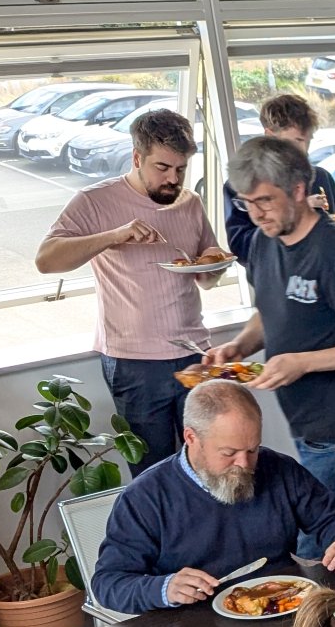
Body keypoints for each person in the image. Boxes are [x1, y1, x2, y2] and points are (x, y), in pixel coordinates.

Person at [204, 136, 335, 542]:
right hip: (307, 419)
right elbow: (270, 311)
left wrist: (303, 361)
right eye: (246, 203)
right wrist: (240, 346)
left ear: (297, 191)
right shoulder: (264, 241)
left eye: (264, 201)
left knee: (313, 542)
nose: (255, 214)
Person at [34, 108, 229, 472]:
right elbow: (46, 260)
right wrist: (115, 235)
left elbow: (205, 277)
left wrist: (214, 261)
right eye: (163, 168)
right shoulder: (95, 201)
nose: (174, 179)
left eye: (181, 169)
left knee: (209, 462)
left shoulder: (190, 202)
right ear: (137, 158)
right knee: (152, 470)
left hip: (194, 352)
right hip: (134, 363)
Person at [91, 380, 335, 614]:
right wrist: (164, 588)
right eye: (228, 453)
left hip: (283, 606)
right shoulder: (146, 497)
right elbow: (108, 583)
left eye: (252, 450)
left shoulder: (279, 469)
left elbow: (334, 518)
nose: (245, 464)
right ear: (191, 438)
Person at [223, 92, 335, 265]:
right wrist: (297, 209)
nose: (304, 150)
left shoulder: (321, 178)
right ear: (269, 136)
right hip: (275, 282)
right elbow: (243, 249)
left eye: (307, 141)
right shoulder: (241, 186)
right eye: (295, 142)